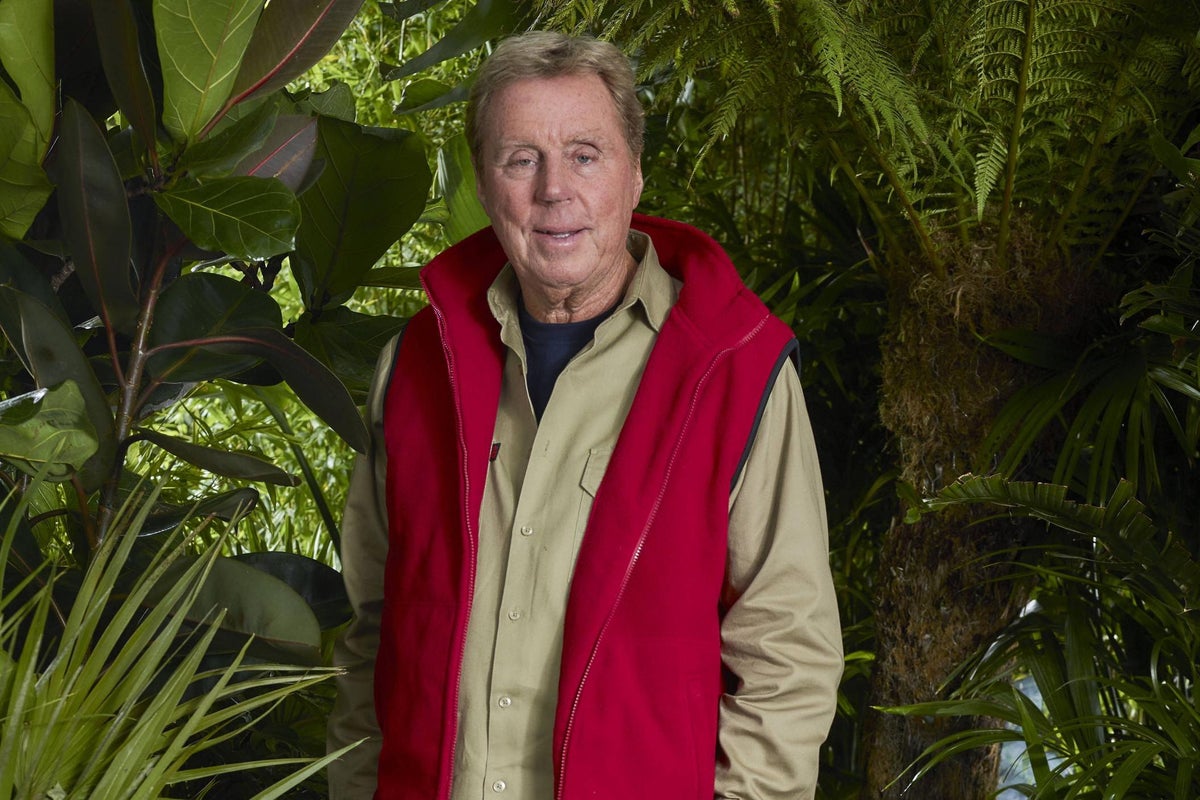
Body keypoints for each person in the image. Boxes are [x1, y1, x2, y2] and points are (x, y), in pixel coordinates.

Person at [326, 30, 843, 800]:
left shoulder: (735, 371)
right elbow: (373, 633)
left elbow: (787, 664)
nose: (554, 190)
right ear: (484, 182)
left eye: (585, 155)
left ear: (635, 174)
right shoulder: (415, 365)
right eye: (521, 159)